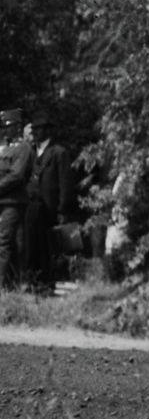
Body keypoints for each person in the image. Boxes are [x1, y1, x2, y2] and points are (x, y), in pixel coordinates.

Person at [22, 115, 75, 292]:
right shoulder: (30, 152)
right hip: (30, 205)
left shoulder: (59, 153)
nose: (35, 132)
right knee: (30, 245)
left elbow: (65, 184)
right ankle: (31, 282)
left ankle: (45, 284)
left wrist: (62, 209)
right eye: (34, 129)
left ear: (48, 131)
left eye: (39, 129)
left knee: (46, 247)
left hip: (49, 207)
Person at [0, 109, 34, 289]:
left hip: (13, 202)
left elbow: (16, 176)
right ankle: (12, 284)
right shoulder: (5, 148)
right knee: (14, 243)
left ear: (18, 126)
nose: (5, 131)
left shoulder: (23, 148)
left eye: (9, 127)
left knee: (3, 241)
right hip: (3, 201)